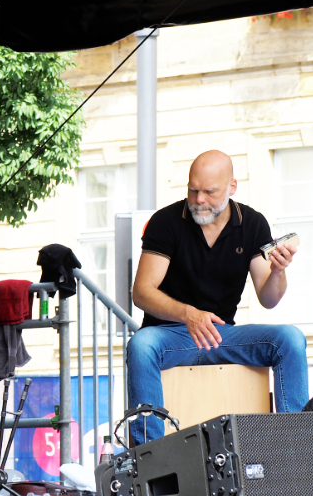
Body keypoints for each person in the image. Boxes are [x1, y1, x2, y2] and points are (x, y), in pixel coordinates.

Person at [127, 149, 307, 443]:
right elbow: (142, 293)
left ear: (231, 187)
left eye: (209, 192)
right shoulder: (166, 222)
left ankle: (297, 449)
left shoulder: (252, 223)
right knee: (142, 344)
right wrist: (188, 314)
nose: (199, 200)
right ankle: (148, 455)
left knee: (290, 339)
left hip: (222, 334)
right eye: (193, 190)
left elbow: (269, 299)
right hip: (172, 335)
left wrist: (277, 271)